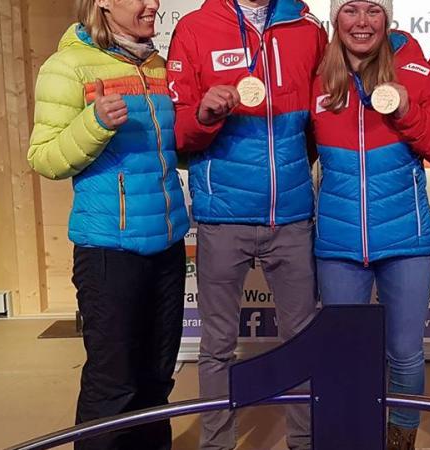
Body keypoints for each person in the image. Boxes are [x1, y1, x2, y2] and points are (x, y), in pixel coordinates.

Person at [27, 0, 190, 449]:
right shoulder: (68, 66)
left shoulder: (159, 66)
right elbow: (44, 158)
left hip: (167, 245)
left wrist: (206, 123)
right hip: (108, 252)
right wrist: (94, 122)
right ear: (103, 2)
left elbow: (176, 149)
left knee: (157, 381)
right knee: (113, 383)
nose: (152, 4)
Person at [166, 0, 326, 449]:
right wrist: (203, 115)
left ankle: (305, 441)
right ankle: (217, 445)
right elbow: (177, 133)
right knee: (216, 346)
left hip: (291, 216)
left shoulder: (307, 27)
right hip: (222, 217)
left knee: (302, 340)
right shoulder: (196, 28)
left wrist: (293, 174)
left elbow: (319, 123)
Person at [310, 1, 430, 449]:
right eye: (350, 10)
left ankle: (400, 440)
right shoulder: (318, 74)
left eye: (374, 10)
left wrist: (407, 109)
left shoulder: (414, 64)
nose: (362, 22)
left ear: (387, 18)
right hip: (338, 241)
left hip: (405, 237)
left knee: (405, 354)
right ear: (336, 18)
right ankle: (352, 436)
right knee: (346, 355)